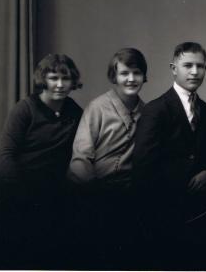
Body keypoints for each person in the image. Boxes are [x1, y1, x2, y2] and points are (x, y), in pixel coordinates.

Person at [0, 53, 83, 266]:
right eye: (53, 78)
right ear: (43, 80)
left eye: (65, 78)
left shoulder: (74, 111)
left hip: (45, 192)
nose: (60, 84)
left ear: (73, 81)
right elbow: (5, 155)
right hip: (10, 190)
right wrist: (26, 195)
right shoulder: (26, 108)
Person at [133, 42, 206, 267]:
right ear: (173, 68)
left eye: (199, 66)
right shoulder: (155, 110)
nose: (194, 71)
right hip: (164, 208)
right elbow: (143, 166)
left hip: (200, 209)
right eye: (187, 65)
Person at [66, 47, 147, 267]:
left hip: (131, 194)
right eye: (124, 73)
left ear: (144, 76)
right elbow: (80, 159)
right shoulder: (97, 108)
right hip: (96, 192)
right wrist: (94, 193)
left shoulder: (147, 112)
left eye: (137, 73)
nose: (131, 79)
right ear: (114, 76)